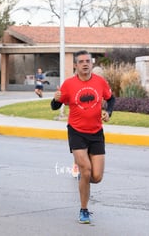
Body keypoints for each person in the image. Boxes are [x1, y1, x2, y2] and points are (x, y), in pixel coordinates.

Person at [50, 50, 115, 224]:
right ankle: (84, 210)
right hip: (76, 131)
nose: (85, 64)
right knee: (85, 169)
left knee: (97, 177)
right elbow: (54, 106)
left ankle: (83, 178)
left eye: (88, 61)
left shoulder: (100, 82)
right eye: (81, 61)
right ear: (76, 65)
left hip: (96, 132)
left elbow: (111, 99)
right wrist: (56, 99)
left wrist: (108, 112)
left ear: (91, 63)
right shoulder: (69, 84)